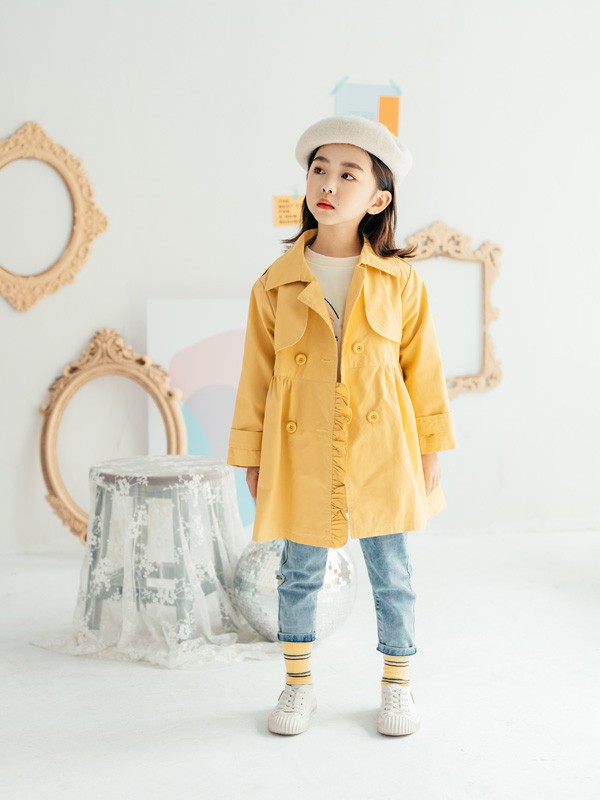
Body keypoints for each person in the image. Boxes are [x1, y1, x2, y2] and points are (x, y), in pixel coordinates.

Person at [226, 115, 457, 737]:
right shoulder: (274, 284)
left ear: (378, 199)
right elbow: (255, 376)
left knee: (393, 573)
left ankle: (397, 686)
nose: (327, 183)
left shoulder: (400, 281)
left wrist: (430, 449)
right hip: (300, 448)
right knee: (299, 572)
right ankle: (297, 687)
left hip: (383, 449)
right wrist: (253, 455)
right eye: (319, 169)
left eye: (348, 174)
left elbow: (424, 371)